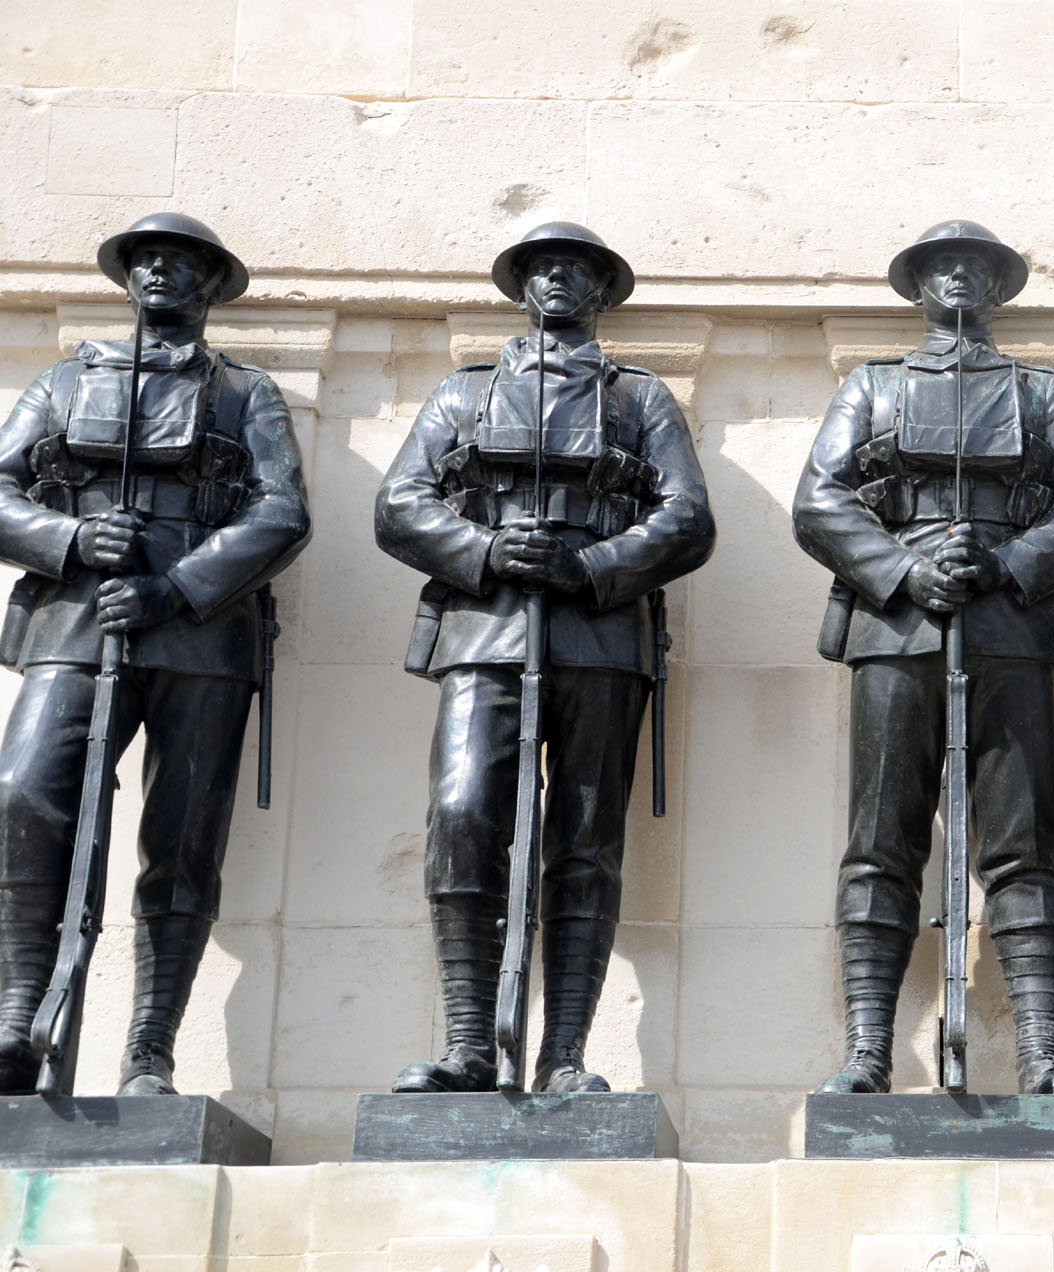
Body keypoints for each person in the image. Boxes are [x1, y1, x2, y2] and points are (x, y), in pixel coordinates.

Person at [376, 222, 714, 1094]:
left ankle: (564, 1053)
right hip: (484, 630)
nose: (557, 279)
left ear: (601, 291)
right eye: (541, 268)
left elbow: (687, 518)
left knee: (585, 841)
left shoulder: (639, 399)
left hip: (600, 635)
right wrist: (484, 549)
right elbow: (400, 504)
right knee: (462, 817)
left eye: (576, 269)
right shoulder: (464, 394)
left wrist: (592, 565)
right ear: (521, 287)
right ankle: (468, 1044)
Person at [793, 220, 1054, 1095]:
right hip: (897, 625)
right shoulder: (872, 385)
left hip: (1014, 625)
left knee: (1024, 844)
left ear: (998, 286)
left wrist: (1009, 563)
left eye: (976, 266)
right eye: (943, 266)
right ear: (920, 286)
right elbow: (819, 502)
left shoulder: (1040, 391)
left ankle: (1041, 1054)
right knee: (881, 841)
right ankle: (868, 1051)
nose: (960, 277)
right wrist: (906, 569)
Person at [0, 213, 310, 1095]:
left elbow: (282, 512)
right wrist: (69, 537)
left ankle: (149, 1047)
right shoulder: (63, 382)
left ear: (211, 284)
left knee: (183, 837)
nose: (160, 270)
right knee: (23, 791)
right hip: (77, 618)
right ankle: (18, 1014)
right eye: (146, 259)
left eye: (180, 261)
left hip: (202, 632)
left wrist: (175, 588)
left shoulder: (245, 393)